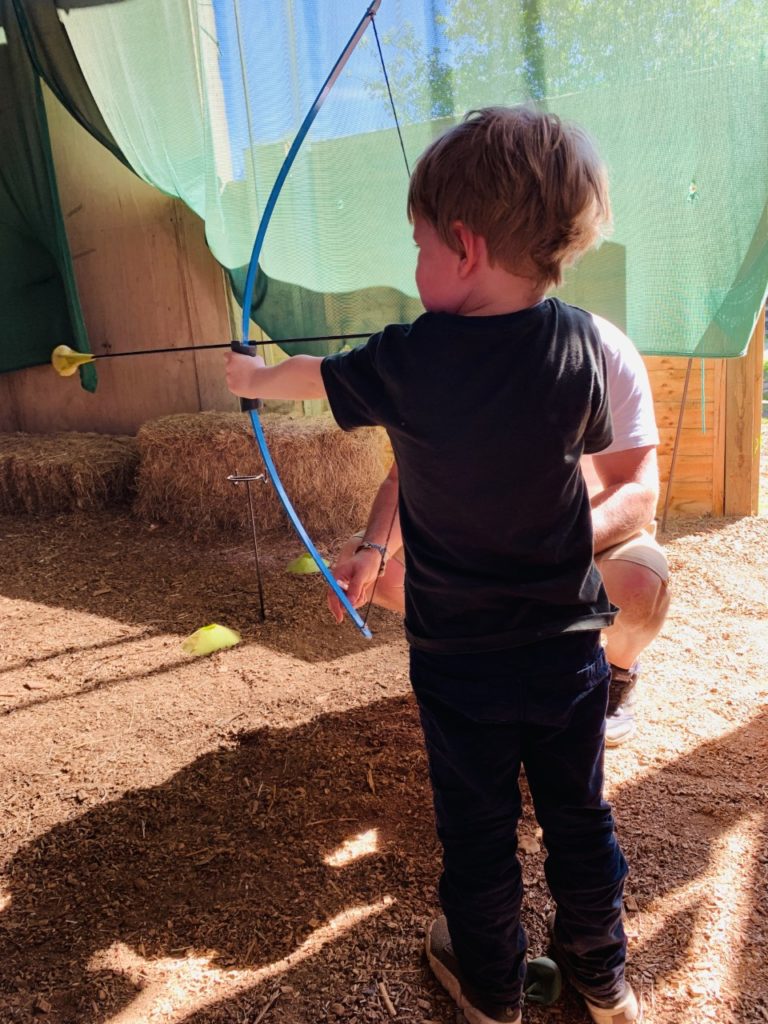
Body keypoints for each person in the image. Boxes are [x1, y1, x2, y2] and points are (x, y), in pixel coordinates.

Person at [227, 106, 636, 1024]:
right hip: (569, 648)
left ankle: (493, 990)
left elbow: (315, 377)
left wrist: (253, 380)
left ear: (464, 245)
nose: (413, 269)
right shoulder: (580, 344)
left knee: (479, 832)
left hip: (460, 661)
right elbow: (570, 447)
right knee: (581, 816)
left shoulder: (413, 359)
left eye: (417, 244)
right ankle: (603, 975)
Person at [330, 323, 670, 748]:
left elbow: (638, 493)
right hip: (479, 538)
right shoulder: (443, 352)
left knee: (639, 582)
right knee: (374, 565)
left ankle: (615, 672)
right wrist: (375, 550)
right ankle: (487, 658)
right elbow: (406, 478)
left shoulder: (599, 348)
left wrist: (542, 546)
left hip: (586, 531)